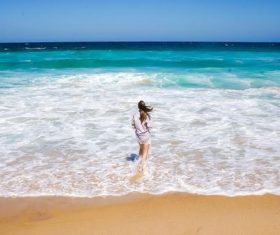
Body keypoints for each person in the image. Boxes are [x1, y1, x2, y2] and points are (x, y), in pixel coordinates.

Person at [131, 100, 153, 173]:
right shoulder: (147, 115)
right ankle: (142, 166)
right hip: (146, 135)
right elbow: (149, 127)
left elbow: (133, 125)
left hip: (138, 135)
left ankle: (138, 163)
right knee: (145, 151)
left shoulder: (135, 115)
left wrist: (137, 130)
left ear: (138, 107)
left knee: (140, 149)